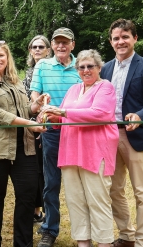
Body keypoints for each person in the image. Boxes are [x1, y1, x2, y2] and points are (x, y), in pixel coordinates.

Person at [41, 50, 119, 247]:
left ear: (99, 68)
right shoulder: (74, 90)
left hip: (94, 152)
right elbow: (65, 119)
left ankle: (104, 242)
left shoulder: (105, 87)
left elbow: (99, 114)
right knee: (75, 201)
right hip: (70, 152)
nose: (85, 70)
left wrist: (64, 112)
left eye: (90, 66)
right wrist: (54, 117)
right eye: (82, 67)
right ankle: (83, 242)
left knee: (98, 201)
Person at [0, 40, 47, 247]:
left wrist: (37, 104)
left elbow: (25, 109)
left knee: (27, 195)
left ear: (8, 58)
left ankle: (23, 244)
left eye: (1, 55)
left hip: (24, 147)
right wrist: (30, 124)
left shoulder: (16, 81)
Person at [100, 19, 143, 247]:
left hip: (136, 137)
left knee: (142, 192)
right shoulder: (104, 68)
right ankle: (126, 235)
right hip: (109, 136)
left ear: (135, 38)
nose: (121, 42)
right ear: (111, 42)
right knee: (114, 189)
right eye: (116, 38)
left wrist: (140, 115)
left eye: (125, 37)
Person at [30, 28, 82, 247]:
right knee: (51, 183)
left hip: (78, 132)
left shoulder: (82, 65)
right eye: (57, 42)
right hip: (52, 132)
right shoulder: (42, 65)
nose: (61, 46)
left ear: (73, 44)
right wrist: (40, 100)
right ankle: (50, 229)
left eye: (65, 42)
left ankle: (84, 231)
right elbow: (34, 95)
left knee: (80, 183)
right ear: (52, 45)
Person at [22, 35, 51, 224]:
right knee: (33, 168)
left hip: (49, 122)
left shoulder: (51, 69)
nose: (38, 50)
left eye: (41, 46)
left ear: (48, 49)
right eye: (34, 47)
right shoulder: (28, 72)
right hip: (29, 123)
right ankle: (34, 209)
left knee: (45, 169)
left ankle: (42, 210)